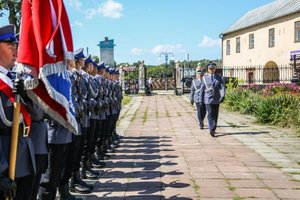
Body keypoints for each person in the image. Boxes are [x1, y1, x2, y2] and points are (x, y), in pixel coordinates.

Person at [0, 24, 36, 200]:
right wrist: (0, 172)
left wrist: (26, 96)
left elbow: (37, 115)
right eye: (9, 45)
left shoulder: (15, 79)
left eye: (16, 46)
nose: (15, 50)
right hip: (6, 159)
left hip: (24, 153)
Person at [201, 62, 226, 137]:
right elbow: (202, 89)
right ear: (208, 69)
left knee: (215, 114)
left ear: (215, 69)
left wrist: (223, 95)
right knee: (210, 114)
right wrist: (201, 100)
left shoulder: (219, 77)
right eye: (210, 68)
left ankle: (213, 127)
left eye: (213, 68)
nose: (211, 70)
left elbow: (222, 87)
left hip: (216, 99)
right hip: (207, 99)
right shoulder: (204, 78)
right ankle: (211, 129)